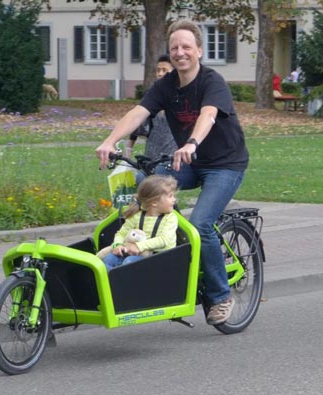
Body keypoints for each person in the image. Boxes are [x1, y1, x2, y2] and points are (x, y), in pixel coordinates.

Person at [95, 20, 249, 325]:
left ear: (199, 51)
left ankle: (220, 296)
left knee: (201, 224)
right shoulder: (166, 85)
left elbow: (208, 114)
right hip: (189, 162)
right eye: (175, 47)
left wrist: (191, 142)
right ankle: (156, 246)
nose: (180, 53)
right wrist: (110, 140)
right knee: (144, 184)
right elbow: (139, 112)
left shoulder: (211, 81)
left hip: (224, 165)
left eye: (186, 47)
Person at [100, 175, 179, 271]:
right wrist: (117, 244)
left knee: (129, 262)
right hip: (134, 253)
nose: (174, 199)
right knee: (108, 259)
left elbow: (164, 240)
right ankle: (106, 283)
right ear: (154, 202)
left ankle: (120, 282)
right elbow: (122, 233)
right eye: (170, 196)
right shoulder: (137, 215)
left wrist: (138, 246)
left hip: (161, 260)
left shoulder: (170, 218)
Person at [127, 54, 178, 179]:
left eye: (164, 70)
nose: (160, 73)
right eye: (158, 70)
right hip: (151, 154)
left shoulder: (180, 97)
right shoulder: (151, 95)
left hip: (171, 157)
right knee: (143, 183)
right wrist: (128, 151)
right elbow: (138, 122)